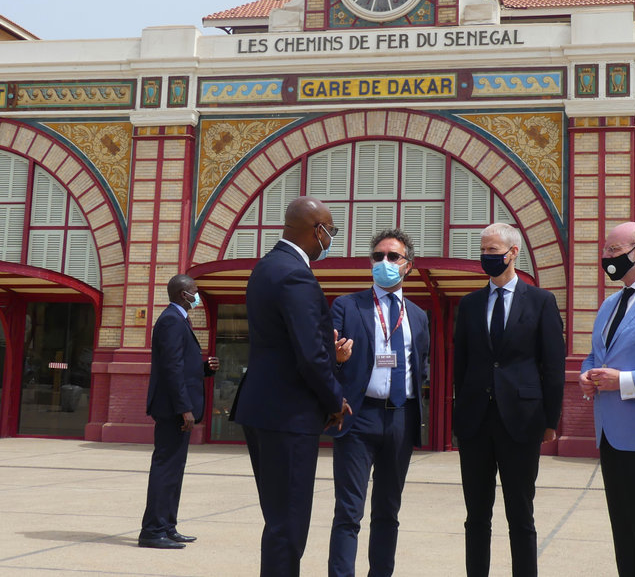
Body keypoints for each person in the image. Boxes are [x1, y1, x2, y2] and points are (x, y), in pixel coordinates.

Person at [231, 196, 352, 576]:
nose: (330, 238)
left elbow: (287, 343)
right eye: (330, 230)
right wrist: (335, 400)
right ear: (316, 230)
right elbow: (309, 356)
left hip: (262, 408)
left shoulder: (265, 268)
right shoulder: (297, 275)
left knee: (278, 518)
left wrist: (323, 352)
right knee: (289, 526)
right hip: (290, 414)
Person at [453, 222, 565, 577]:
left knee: (520, 514)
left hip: (522, 421)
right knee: (476, 516)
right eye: (483, 250)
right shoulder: (469, 304)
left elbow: (553, 365)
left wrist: (551, 420)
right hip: (475, 423)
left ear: (513, 252)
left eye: (492, 250)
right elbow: (461, 365)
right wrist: (458, 416)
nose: (486, 256)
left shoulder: (541, 301)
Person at [327, 228, 431, 577]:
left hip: (401, 418)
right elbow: (326, 359)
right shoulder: (347, 305)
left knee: (388, 511)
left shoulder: (417, 316)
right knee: (349, 511)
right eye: (377, 257)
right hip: (359, 417)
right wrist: (338, 360)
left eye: (392, 257)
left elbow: (423, 364)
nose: (384, 262)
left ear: (408, 266)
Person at [577, 222, 635, 577]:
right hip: (610, 437)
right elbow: (595, 357)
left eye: (613, 252)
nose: (606, 258)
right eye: (605, 251)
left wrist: (624, 382)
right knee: (624, 533)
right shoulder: (609, 304)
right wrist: (588, 376)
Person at [139, 274, 219, 549]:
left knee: (174, 470)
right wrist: (184, 408)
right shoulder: (172, 321)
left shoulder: (178, 320)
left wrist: (205, 369)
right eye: (194, 291)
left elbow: (181, 366)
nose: (197, 295)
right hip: (173, 410)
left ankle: (167, 526)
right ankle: (152, 531)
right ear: (183, 294)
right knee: (166, 469)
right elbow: (171, 369)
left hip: (177, 408)